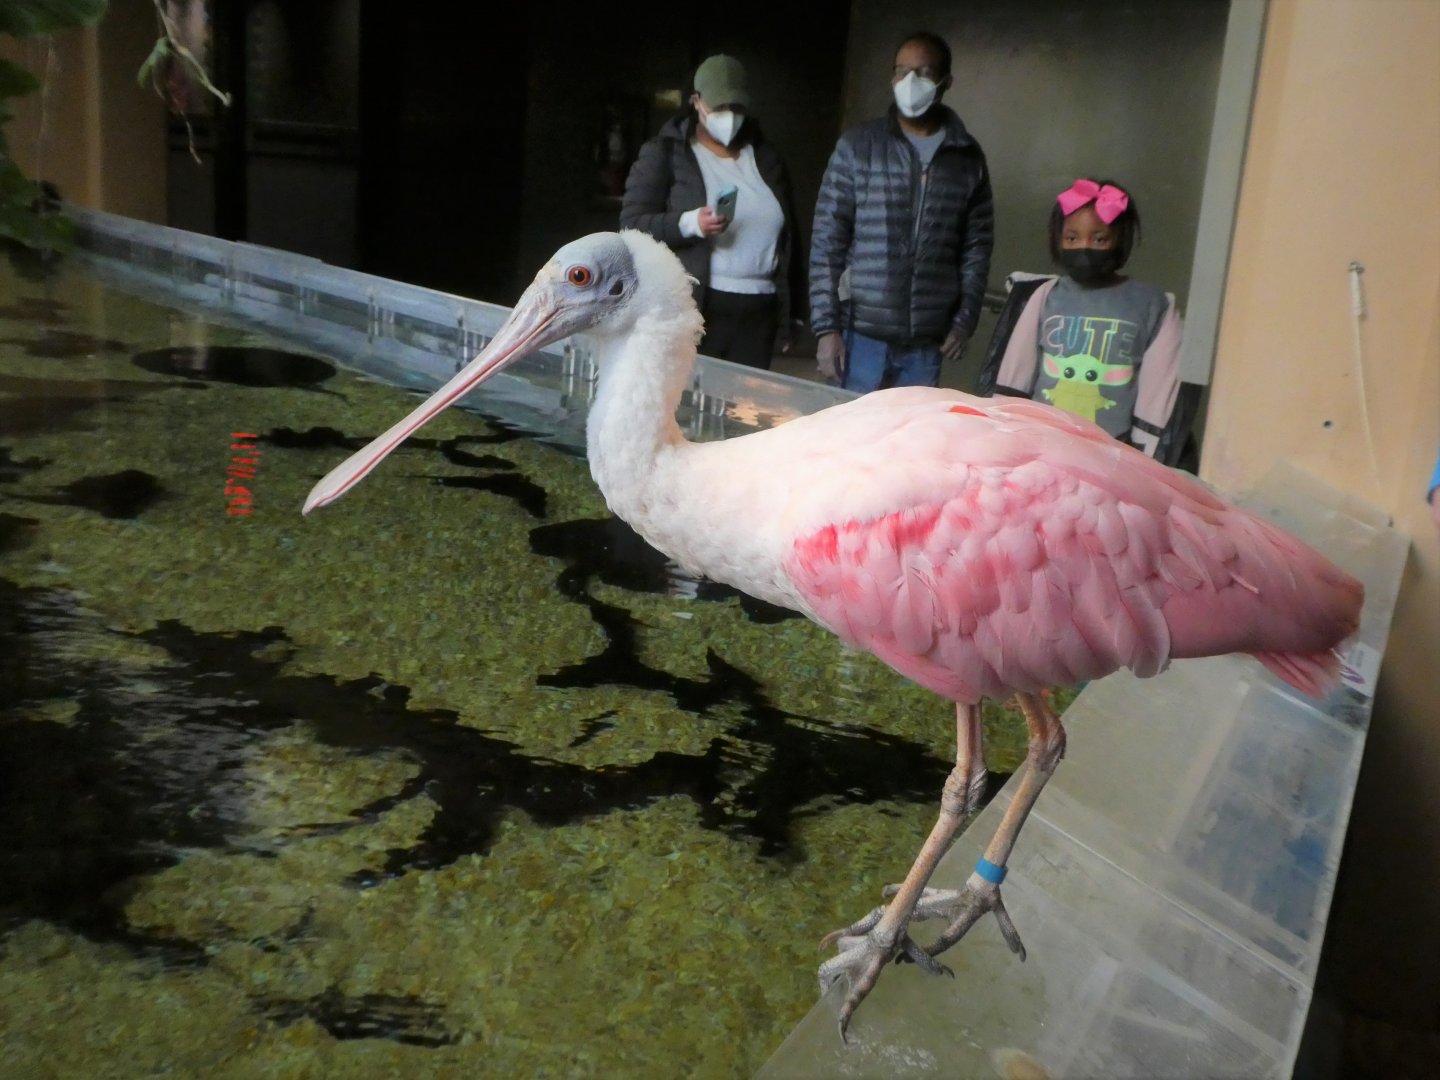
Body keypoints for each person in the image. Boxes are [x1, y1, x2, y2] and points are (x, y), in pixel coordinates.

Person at [809, 30, 994, 392]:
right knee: (853, 441)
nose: (910, 82)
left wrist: (964, 320)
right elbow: (827, 241)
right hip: (859, 335)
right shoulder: (858, 147)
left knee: (912, 445)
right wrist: (826, 327)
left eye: (923, 73)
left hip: (925, 344)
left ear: (945, 82)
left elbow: (977, 248)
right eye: (901, 71)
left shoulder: (966, 158)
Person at [620, 54, 800, 369]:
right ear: (696, 102)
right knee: (689, 405)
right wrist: (690, 223)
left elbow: (790, 240)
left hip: (760, 310)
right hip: (698, 306)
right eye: (719, 108)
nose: (729, 116)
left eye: (737, 108)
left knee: (743, 408)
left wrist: (791, 316)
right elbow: (631, 226)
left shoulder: (765, 159)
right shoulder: (666, 153)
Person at [991, 178, 1183, 458]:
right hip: (1043, 445)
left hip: (1110, 451)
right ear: (1058, 239)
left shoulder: (1153, 305)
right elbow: (1016, 372)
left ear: (1120, 240)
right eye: (1072, 238)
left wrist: (1146, 458)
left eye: (1100, 238)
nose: (1084, 247)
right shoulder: (1045, 296)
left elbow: (1158, 393)